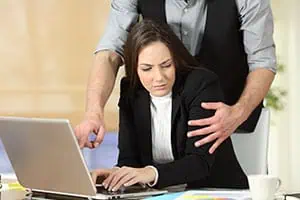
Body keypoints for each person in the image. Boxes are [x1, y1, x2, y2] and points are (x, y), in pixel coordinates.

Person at [75, 0, 276, 154]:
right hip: (161, 125)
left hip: (227, 124)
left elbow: (262, 61)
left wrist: (238, 113)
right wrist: (94, 111)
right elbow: (110, 53)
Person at [91, 19, 248, 191]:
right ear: (134, 67)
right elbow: (129, 159)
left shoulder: (202, 84)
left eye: (166, 65)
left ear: (175, 60)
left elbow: (199, 162)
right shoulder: (131, 90)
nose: (159, 77)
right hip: (161, 193)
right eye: (146, 69)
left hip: (215, 190)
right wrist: (117, 174)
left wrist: (151, 173)